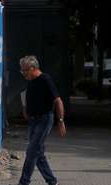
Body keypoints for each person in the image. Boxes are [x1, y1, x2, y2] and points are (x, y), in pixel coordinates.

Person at [18, 55, 66, 185]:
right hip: (33, 121)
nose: (23, 73)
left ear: (33, 68)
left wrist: (60, 121)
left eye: (25, 70)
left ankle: (24, 182)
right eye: (21, 70)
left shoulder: (45, 79)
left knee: (31, 151)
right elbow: (28, 96)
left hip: (44, 119)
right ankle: (51, 181)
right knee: (38, 153)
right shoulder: (31, 80)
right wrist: (26, 110)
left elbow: (58, 101)